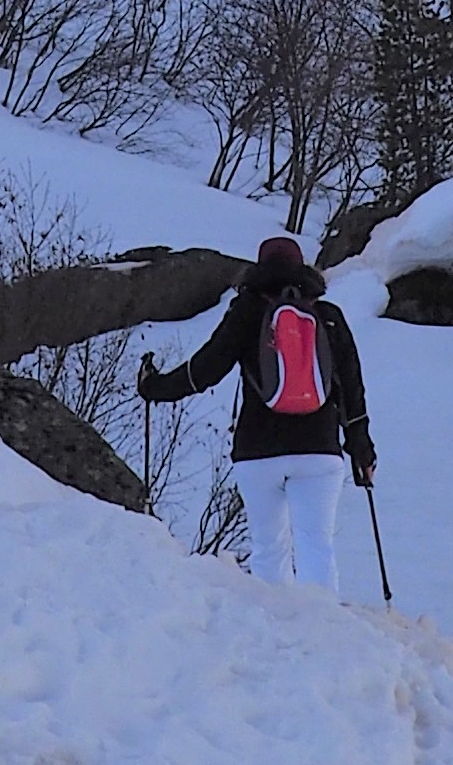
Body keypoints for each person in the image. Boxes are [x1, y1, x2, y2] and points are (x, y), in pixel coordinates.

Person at [137, 230, 376, 588]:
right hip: (319, 451)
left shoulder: (248, 312)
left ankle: (274, 628)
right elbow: (352, 391)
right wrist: (362, 450)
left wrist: (155, 387)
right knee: (317, 546)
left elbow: (205, 370)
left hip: (257, 451)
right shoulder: (328, 316)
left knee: (269, 549)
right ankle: (324, 629)